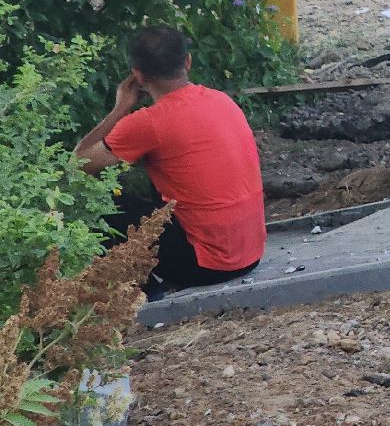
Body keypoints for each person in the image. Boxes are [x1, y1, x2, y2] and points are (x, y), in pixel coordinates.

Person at [74, 27, 265, 295]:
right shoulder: (222, 100)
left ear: (138, 74)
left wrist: (120, 108)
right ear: (187, 61)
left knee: (92, 204)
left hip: (208, 266)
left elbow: (78, 165)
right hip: (250, 252)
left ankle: (146, 293)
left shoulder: (149, 122)